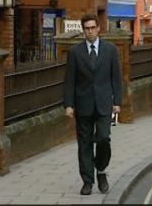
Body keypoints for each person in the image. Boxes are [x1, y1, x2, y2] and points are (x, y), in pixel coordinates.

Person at [63, 14, 122, 195]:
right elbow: (70, 81)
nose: (89, 31)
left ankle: (101, 170)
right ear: (83, 31)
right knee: (85, 144)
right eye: (86, 29)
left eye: (92, 28)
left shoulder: (110, 50)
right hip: (83, 104)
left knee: (104, 138)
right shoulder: (75, 53)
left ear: (98, 29)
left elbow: (116, 78)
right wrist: (69, 104)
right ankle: (87, 181)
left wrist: (117, 102)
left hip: (104, 104)